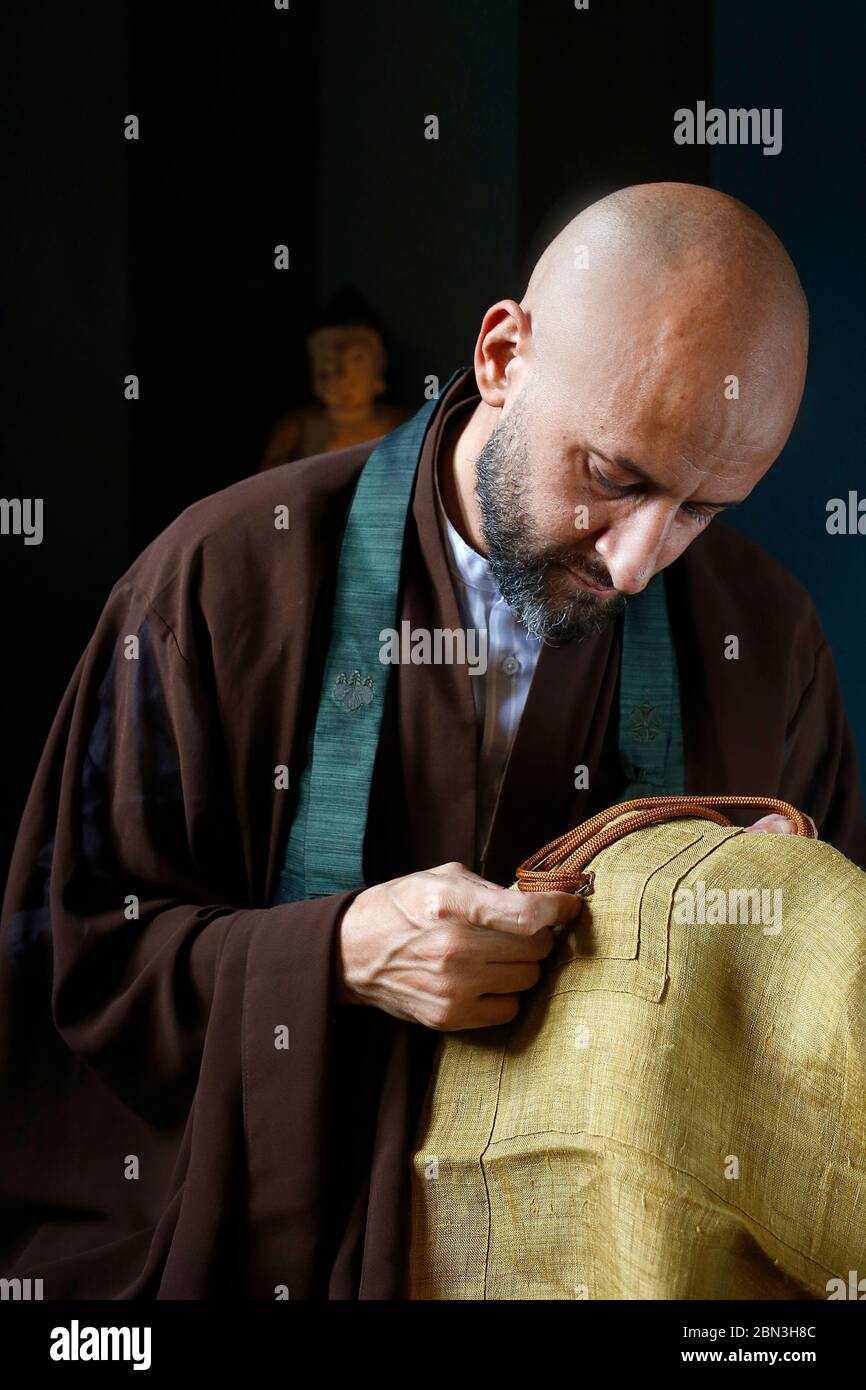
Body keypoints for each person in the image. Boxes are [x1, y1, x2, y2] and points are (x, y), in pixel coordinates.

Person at [2, 183, 864, 1300]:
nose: (640, 561)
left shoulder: (764, 635)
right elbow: (71, 967)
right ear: (502, 354)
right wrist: (339, 955)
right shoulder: (220, 581)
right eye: (614, 476)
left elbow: (815, 1026)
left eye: (704, 508)